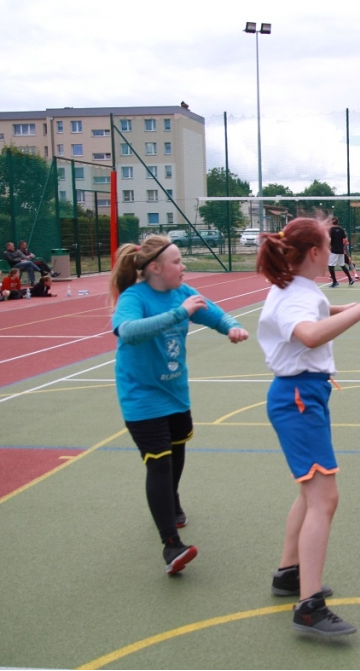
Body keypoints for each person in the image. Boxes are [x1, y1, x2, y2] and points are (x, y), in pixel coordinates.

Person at [257, 219, 360, 637]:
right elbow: (308, 334)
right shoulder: (292, 295)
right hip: (298, 397)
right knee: (325, 497)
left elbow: (319, 313)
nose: (334, 247)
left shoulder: (299, 288)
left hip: (305, 394)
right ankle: (309, 607)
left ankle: (289, 573)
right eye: (329, 243)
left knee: (310, 491)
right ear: (316, 253)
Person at [109, 235, 249, 576]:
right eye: (177, 262)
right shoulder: (134, 297)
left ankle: (171, 503)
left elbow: (213, 313)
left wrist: (232, 327)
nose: (183, 267)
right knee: (158, 463)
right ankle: (171, 545)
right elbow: (127, 332)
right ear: (155, 268)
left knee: (177, 452)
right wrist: (177, 315)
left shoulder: (183, 294)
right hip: (141, 396)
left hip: (174, 392)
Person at [326, 217, 354, 288]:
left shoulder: (331, 230)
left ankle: (335, 282)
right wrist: (342, 246)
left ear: (332, 222)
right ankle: (350, 279)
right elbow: (345, 240)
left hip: (334, 250)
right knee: (342, 265)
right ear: (337, 222)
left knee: (330, 266)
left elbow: (329, 240)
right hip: (341, 250)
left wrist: (329, 247)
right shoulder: (341, 229)